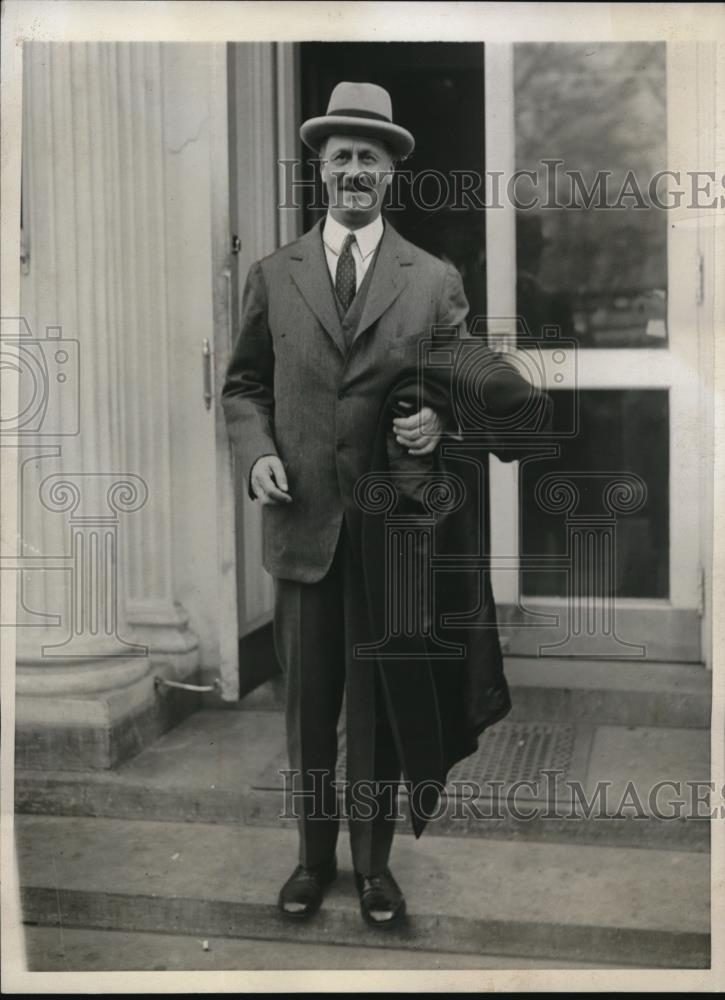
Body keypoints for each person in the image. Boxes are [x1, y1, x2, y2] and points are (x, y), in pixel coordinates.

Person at [221, 81, 483, 929]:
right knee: (307, 710)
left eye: (372, 157)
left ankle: (374, 870)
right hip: (302, 528)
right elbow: (243, 386)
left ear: (391, 174)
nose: (356, 171)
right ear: (320, 169)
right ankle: (309, 863)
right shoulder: (274, 272)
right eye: (342, 156)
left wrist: (438, 421)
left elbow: (469, 384)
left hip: (388, 534)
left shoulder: (432, 279)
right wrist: (256, 453)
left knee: (372, 710)